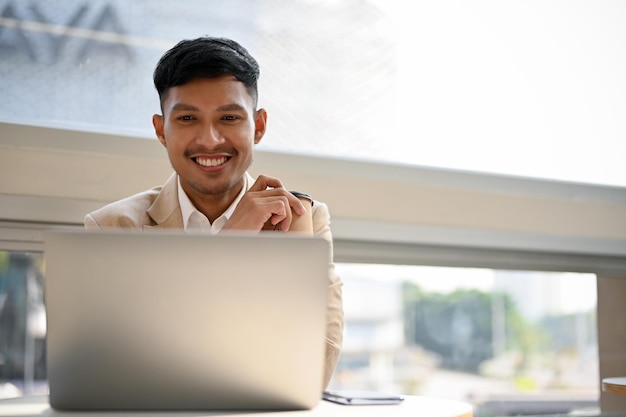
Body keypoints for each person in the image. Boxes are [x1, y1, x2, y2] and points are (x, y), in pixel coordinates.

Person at [84, 37, 343, 389]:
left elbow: (312, 374)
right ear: (162, 130)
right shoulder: (112, 228)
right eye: (188, 118)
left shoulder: (302, 220)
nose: (209, 140)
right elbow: (122, 374)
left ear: (259, 126)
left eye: (230, 117)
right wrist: (230, 243)